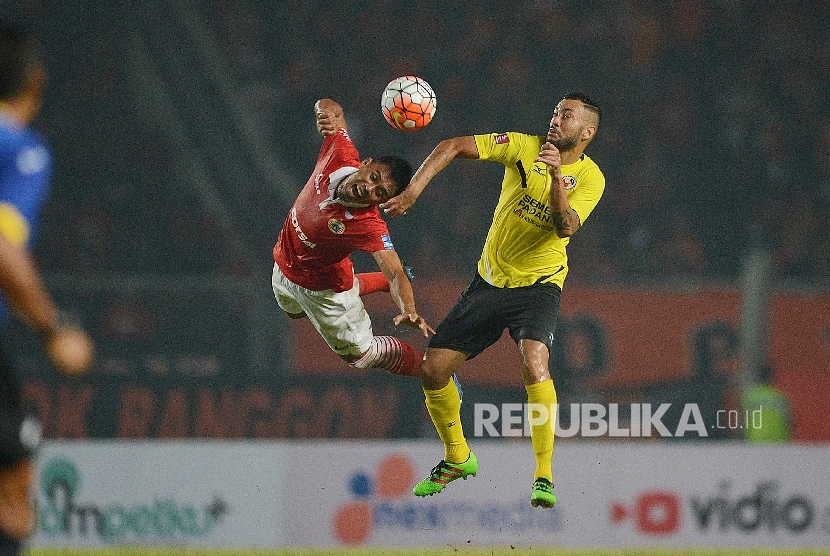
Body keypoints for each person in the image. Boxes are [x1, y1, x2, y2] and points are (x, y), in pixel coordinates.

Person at [381, 93, 605, 508]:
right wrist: (413, 191)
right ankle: (457, 456)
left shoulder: (592, 178)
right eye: (555, 110)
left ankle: (544, 475)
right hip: (489, 282)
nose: (556, 118)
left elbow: (565, 227)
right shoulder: (522, 146)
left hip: (540, 286)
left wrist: (556, 178)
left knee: (535, 363)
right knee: (433, 371)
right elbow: (451, 146)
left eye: (566, 115)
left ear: (586, 131)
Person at [0, 21, 95, 555]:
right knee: (13, 490)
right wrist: (54, 327)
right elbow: (2, 246)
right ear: (34, 83)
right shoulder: (18, 149)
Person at [271, 98, 436, 378]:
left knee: (361, 357)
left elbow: (395, 271)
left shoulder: (368, 224)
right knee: (294, 313)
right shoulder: (341, 154)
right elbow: (334, 108)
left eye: (380, 192)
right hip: (283, 266)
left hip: (325, 292)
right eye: (373, 177)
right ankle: (367, 283)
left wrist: (408, 308)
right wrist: (321, 111)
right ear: (366, 164)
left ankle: (432, 370)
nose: (369, 188)